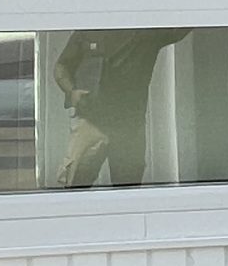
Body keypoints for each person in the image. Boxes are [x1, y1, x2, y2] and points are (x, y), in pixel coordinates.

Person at [51, 27, 187, 187]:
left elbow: (184, 23)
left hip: (129, 125)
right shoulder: (89, 30)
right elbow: (61, 66)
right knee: (75, 185)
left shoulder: (147, 32)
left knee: (128, 189)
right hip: (90, 121)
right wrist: (71, 91)